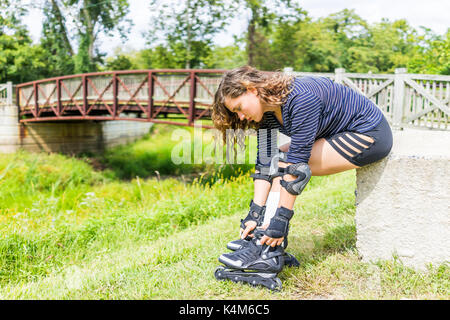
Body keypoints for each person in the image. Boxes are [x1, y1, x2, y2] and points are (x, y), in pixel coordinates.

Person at [211, 66, 393, 289]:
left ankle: (268, 249)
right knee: (276, 159)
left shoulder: (300, 98)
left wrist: (280, 222)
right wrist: (254, 214)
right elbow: (265, 162)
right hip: (336, 134)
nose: (240, 116)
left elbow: (296, 168)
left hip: (368, 135)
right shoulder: (267, 111)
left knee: (286, 163)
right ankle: (264, 241)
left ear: (251, 90)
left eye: (238, 108)